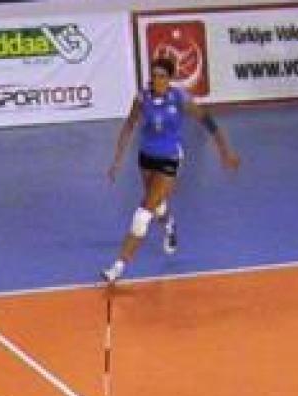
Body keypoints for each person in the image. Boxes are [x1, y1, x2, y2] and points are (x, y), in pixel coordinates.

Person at [101, 56, 240, 283]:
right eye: (154, 75)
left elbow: (207, 121)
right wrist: (117, 160)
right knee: (157, 206)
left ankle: (118, 267)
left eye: (162, 76)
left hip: (169, 159)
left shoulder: (179, 98)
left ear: (170, 78)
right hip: (146, 158)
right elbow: (129, 125)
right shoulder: (142, 98)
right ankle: (169, 224)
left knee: (142, 214)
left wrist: (225, 152)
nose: (157, 80)